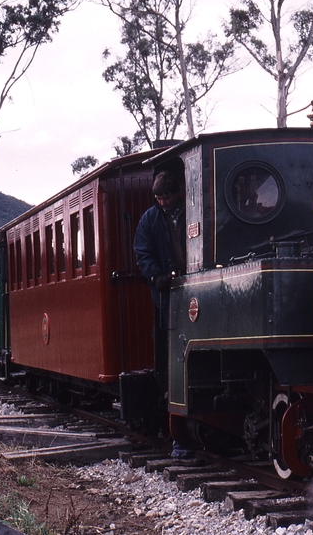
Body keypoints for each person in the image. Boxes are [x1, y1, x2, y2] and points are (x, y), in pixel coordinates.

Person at [134, 170, 193, 458]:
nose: (163, 203)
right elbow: (142, 253)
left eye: (166, 197)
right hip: (166, 295)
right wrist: (156, 276)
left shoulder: (193, 210)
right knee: (169, 354)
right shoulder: (150, 219)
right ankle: (178, 434)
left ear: (177, 192)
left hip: (194, 286)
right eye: (158, 198)